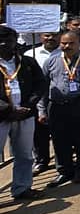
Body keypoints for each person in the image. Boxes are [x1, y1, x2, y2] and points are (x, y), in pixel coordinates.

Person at [38, 30, 80, 187]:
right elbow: (43, 87)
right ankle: (64, 171)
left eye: (71, 43)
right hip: (57, 106)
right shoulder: (51, 61)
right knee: (60, 140)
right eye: (64, 43)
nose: (67, 46)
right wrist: (42, 109)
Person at [0, 26, 47, 200]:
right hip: (2, 117)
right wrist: (8, 109)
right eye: (1, 40)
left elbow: (40, 83)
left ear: (15, 41)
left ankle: (22, 188)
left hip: (25, 115)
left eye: (9, 40)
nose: (5, 43)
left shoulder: (27, 62)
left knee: (25, 154)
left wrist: (29, 105)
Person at [30, 30, 60, 175]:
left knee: (60, 132)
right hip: (36, 99)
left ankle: (63, 161)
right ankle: (41, 161)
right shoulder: (30, 54)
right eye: (47, 35)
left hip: (58, 98)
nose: (50, 38)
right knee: (39, 133)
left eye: (54, 35)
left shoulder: (66, 51)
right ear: (41, 36)